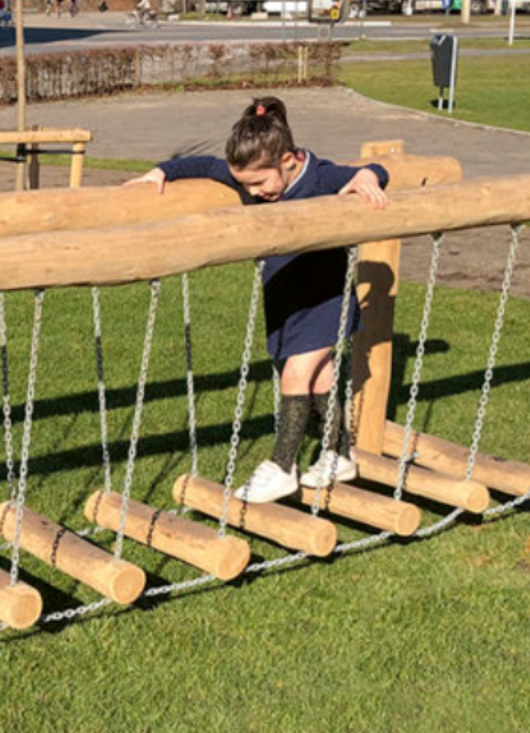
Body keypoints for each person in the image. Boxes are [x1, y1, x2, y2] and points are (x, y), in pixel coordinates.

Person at [125, 97, 388, 501]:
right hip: (287, 299)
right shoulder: (253, 173)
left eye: (259, 183)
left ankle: (282, 466)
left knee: (295, 375)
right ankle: (339, 454)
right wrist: (162, 171)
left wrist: (368, 177)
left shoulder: (319, 177)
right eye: (244, 185)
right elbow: (205, 166)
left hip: (326, 299)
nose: (252, 192)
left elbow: (374, 171)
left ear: (288, 160)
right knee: (320, 375)